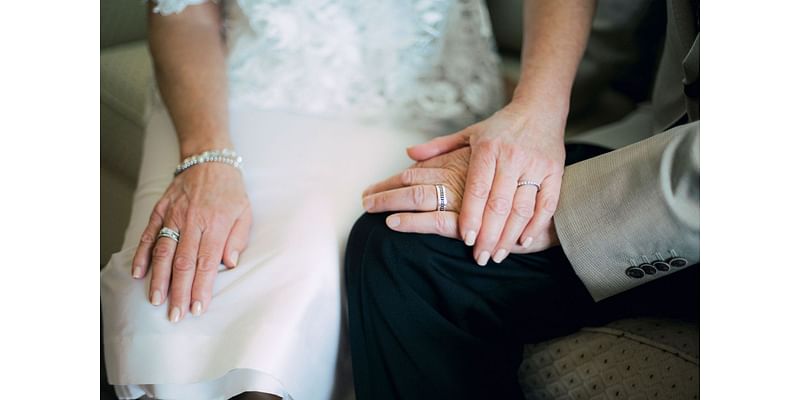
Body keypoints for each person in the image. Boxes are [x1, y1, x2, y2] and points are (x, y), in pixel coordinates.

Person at [100, 0, 517, 399]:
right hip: (233, 85)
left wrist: (540, 109)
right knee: (174, 294)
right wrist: (206, 158)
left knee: (296, 286)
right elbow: (182, 10)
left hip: (417, 99)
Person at [345, 0, 699, 398]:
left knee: (419, 254)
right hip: (667, 136)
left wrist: (570, 211)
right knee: (403, 241)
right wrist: (536, 108)